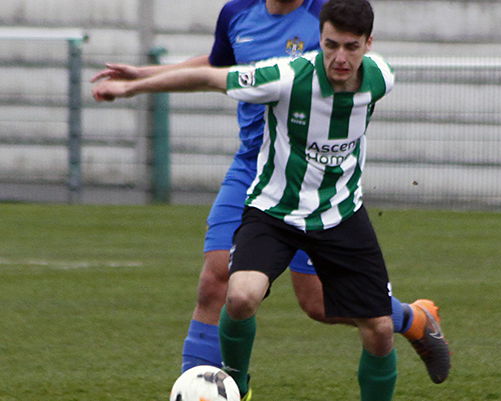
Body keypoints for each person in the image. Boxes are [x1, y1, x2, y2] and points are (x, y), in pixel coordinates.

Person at [92, 0, 450, 396]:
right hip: (260, 176)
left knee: (319, 305)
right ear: (321, 43)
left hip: (332, 207)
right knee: (223, 283)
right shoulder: (241, 17)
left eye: (351, 47)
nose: (340, 57)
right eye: (332, 46)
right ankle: (224, 388)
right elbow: (217, 69)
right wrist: (139, 79)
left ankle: (411, 318)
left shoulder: (344, 37)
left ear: (367, 44)